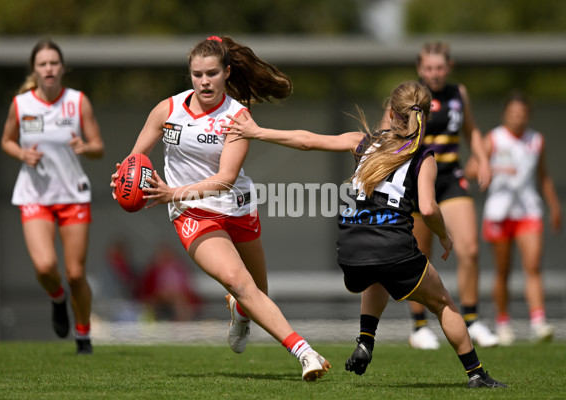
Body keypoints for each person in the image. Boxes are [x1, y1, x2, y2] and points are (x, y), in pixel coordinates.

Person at [224, 80, 507, 388]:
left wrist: (257, 132)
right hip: (392, 246)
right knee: (443, 304)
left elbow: (305, 140)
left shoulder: (363, 142)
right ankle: (477, 373)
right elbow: (428, 209)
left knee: (378, 272)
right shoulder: (423, 157)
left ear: (392, 113)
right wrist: (444, 236)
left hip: (350, 249)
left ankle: (366, 342)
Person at [109, 35, 330, 381]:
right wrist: (122, 180)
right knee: (241, 284)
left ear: (227, 72)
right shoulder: (167, 111)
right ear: (190, 75)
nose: (204, 81)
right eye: (197, 74)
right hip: (192, 214)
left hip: (236, 206)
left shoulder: (238, 117)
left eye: (212, 73)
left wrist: (172, 192)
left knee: (255, 294)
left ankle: (240, 314)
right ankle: (305, 353)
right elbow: (135, 161)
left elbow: (226, 179)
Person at [385, 41, 499, 349]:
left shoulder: (458, 94)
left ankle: (472, 320)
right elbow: (386, 132)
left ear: (449, 67)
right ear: (420, 69)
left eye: (439, 67)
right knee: (418, 255)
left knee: (471, 249)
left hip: (450, 178)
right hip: (418, 179)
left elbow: (472, 130)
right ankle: (419, 326)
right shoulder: (409, 97)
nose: (434, 73)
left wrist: (483, 158)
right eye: (428, 68)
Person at [1, 39, 104, 354]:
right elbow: (6, 141)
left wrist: (85, 148)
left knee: (75, 273)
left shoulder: (77, 101)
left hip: (73, 195)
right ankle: (57, 299)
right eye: (42, 63)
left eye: (53, 63)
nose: (48, 68)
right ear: (35, 69)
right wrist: (22, 154)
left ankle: (83, 335)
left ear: (62, 68)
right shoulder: (21, 105)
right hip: (35, 194)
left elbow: (98, 146)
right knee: (46, 267)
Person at [466, 91, 561, 345]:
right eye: (513, 114)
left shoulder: (536, 140)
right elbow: (471, 169)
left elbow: (543, 175)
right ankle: (503, 322)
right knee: (503, 271)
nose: (518, 119)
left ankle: (539, 321)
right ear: (505, 115)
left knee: (533, 267)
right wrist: (493, 168)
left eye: (522, 114)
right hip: (499, 212)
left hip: (528, 211)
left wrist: (554, 206)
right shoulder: (493, 139)